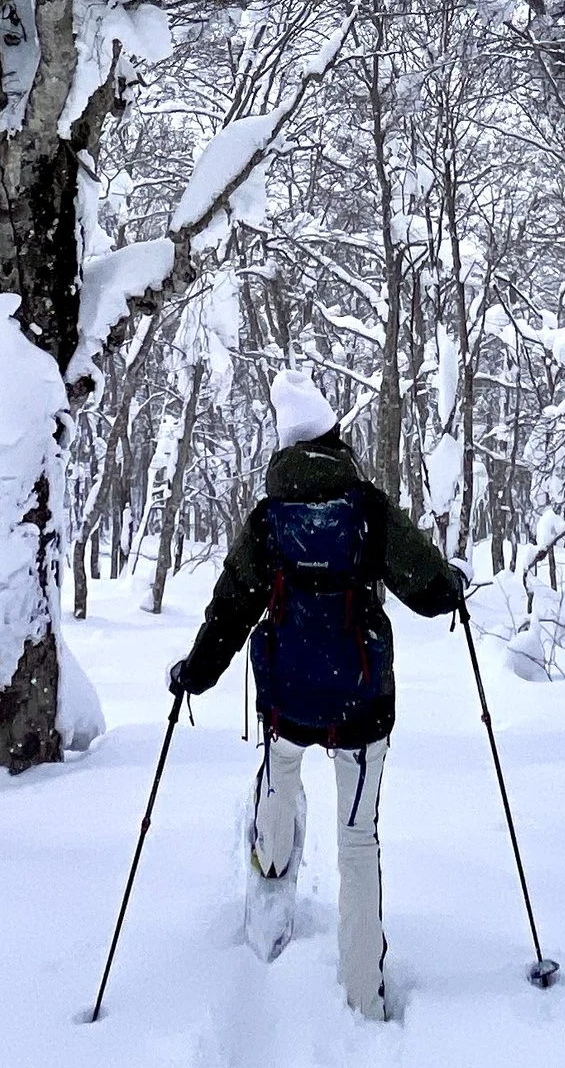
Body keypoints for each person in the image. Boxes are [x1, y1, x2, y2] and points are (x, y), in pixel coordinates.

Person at [168, 370, 468, 1021]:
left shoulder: (268, 522)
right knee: (357, 839)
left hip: (287, 700)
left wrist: (196, 671)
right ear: (334, 438)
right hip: (361, 705)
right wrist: (452, 584)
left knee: (280, 772)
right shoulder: (368, 510)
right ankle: (364, 994)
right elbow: (428, 590)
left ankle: (273, 860)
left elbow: (231, 608)